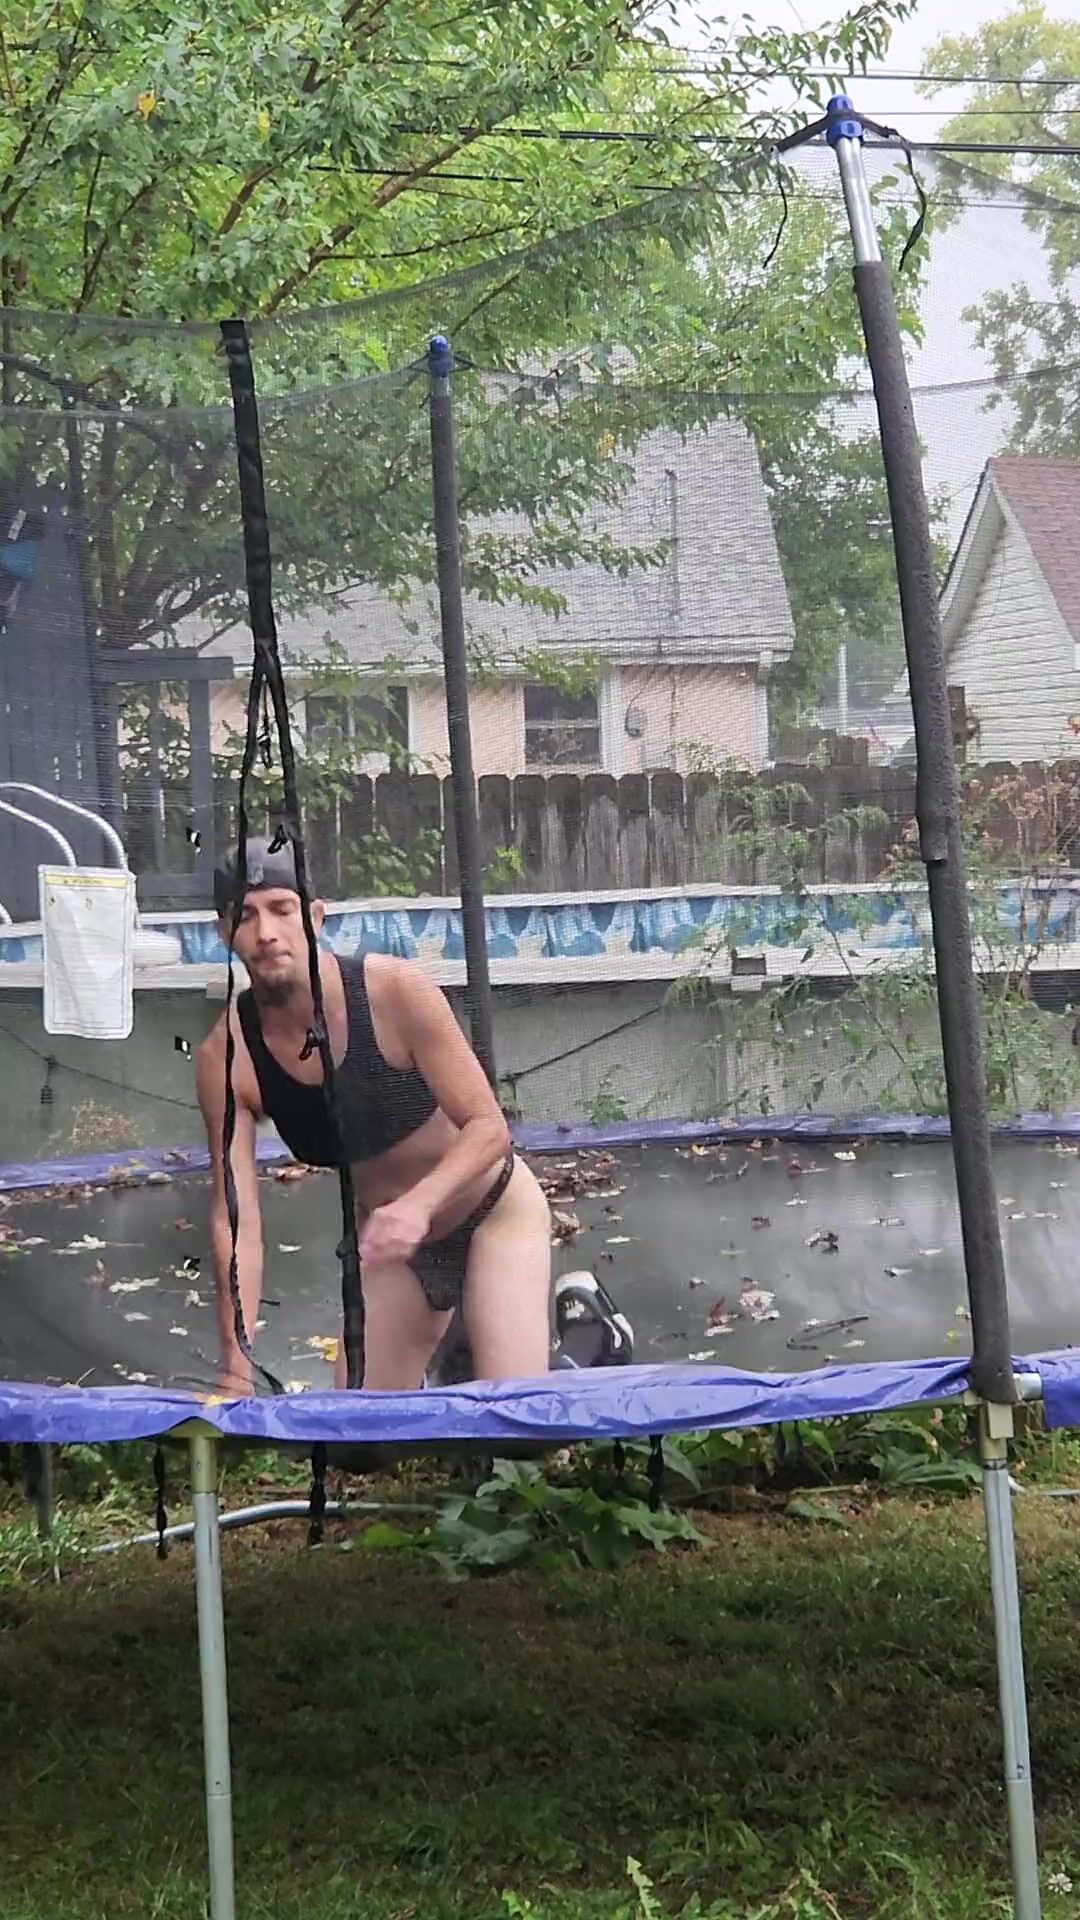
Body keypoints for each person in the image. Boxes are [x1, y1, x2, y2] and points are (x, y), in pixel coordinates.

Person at [195, 836, 552, 1394]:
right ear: (224, 933)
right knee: (359, 1432)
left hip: (490, 1212)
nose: (266, 933)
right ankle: (451, 1354)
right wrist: (235, 1365)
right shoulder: (227, 1056)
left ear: (314, 917)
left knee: (515, 1420)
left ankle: (588, 1337)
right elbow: (234, 1218)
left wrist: (418, 1205)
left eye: (282, 909)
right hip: (395, 1248)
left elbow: (489, 1128)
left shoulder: (393, 993)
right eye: (246, 916)